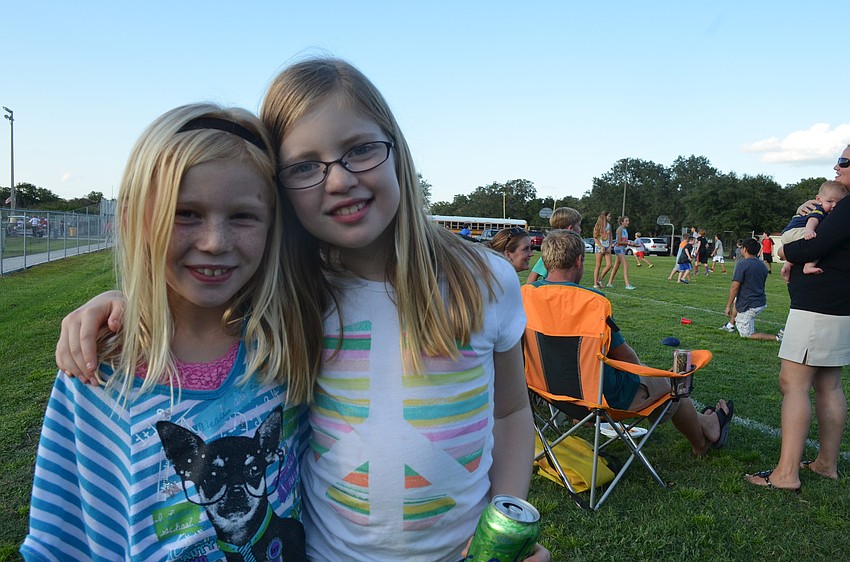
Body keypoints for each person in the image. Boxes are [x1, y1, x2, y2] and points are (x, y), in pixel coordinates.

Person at [55, 58, 549, 562]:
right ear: (281, 191)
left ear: (396, 149)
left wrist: (506, 522)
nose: (339, 181)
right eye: (305, 166)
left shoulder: (488, 280)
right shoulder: (290, 296)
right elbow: (194, 306)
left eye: (360, 150)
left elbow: (510, 410)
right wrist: (123, 305)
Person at [23, 105, 311, 561]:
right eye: (186, 213)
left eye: (242, 216)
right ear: (139, 222)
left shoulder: (284, 350)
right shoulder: (98, 375)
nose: (215, 241)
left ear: (273, 226)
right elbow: (60, 543)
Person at [530, 230, 733, 457]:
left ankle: (706, 421)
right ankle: (702, 441)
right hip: (598, 398)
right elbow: (625, 357)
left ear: (546, 261)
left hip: (548, 393)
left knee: (658, 383)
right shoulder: (590, 302)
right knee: (672, 384)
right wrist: (648, 375)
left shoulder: (526, 296)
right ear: (579, 260)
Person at [745, 146, 850, 492]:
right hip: (837, 306)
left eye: (845, 161)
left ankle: (786, 474)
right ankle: (825, 464)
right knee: (828, 383)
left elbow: (810, 247)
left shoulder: (847, 207)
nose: (837, 166)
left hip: (818, 307)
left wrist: (782, 249)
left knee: (793, 383)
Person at [779, 180, 848, 279]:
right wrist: (809, 230)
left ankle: (787, 265)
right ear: (818, 199)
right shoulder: (818, 208)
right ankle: (809, 265)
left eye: (838, 203)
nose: (834, 205)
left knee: (800, 248)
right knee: (820, 242)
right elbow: (812, 220)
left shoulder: (818, 206)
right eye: (829, 201)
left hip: (789, 233)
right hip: (798, 230)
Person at [720, 238, 779, 340]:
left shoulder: (742, 264)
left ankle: (778, 338)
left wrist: (727, 306)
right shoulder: (763, 266)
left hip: (750, 304)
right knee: (737, 300)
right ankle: (730, 325)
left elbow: (735, 287)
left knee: (746, 334)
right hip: (759, 300)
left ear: (745, 249)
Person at [527, 206, 582, 283]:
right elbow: (532, 278)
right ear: (571, 228)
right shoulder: (554, 252)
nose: (580, 229)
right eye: (579, 225)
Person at [606, 215, 635, 290]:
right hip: (618, 249)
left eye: (628, 221)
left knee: (616, 267)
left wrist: (632, 243)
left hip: (622, 249)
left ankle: (609, 283)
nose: (628, 222)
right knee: (626, 265)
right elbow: (618, 241)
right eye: (626, 221)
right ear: (622, 222)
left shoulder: (625, 230)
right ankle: (627, 284)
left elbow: (624, 241)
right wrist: (628, 243)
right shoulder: (620, 229)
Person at [591, 211, 613, 289]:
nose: (610, 217)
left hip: (607, 247)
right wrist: (601, 246)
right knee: (598, 265)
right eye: (609, 216)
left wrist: (610, 246)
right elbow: (595, 237)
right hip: (599, 247)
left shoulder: (609, 226)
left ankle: (600, 279)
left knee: (609, 265)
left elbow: (610, 237)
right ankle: (595, 283)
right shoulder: (598, 225)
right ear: (605, 217)